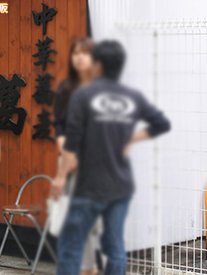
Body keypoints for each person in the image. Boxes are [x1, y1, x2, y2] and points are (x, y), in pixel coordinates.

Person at [51, 40, 171, 275]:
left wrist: (61, 176)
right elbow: (161, 123)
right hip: (120, 186)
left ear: (98, 65)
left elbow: (72, 141)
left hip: (88, 185)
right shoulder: (132, 96)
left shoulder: (83, 95)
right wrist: (132, 139)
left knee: (70, 247)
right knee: (115, 246)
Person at [53, 37, 103, 275]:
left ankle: (88, 268)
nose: (79, 58)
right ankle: (87, 269)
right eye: (75, 53)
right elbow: (59, 125)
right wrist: (66, 153)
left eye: (84, 53)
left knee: (89, 221)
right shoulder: (65, 88)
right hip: (68, 161)